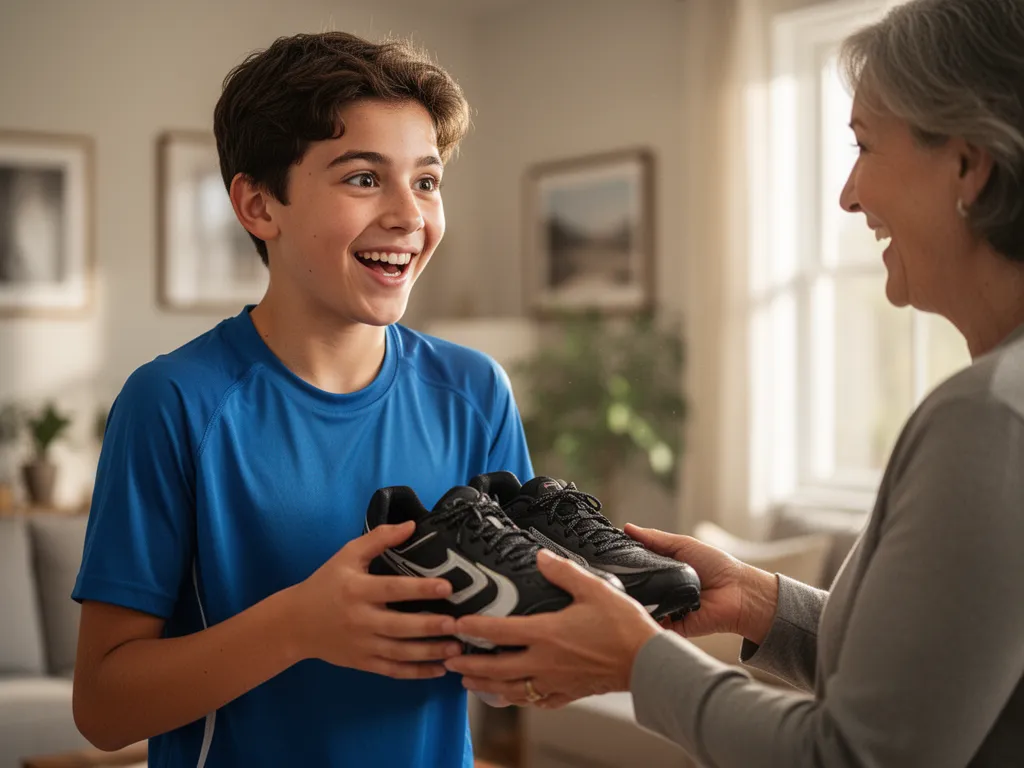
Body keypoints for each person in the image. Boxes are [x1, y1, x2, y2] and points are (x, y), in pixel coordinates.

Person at [443, 0, 1024, 765]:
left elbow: (852, 757)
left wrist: (635, 663)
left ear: (967, 164)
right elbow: (937, 686)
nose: (849, 195)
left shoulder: (990, 417)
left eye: (865, 147)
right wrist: (761, 602)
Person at [71, 32, 533, 768]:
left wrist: (550, 642)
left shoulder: (477, 392)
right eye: (362, 178)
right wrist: (299, 627)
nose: (409, 216)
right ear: (259, 204)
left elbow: (512, 675)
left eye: (426, 180)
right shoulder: (173, 403)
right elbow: (101, 706)